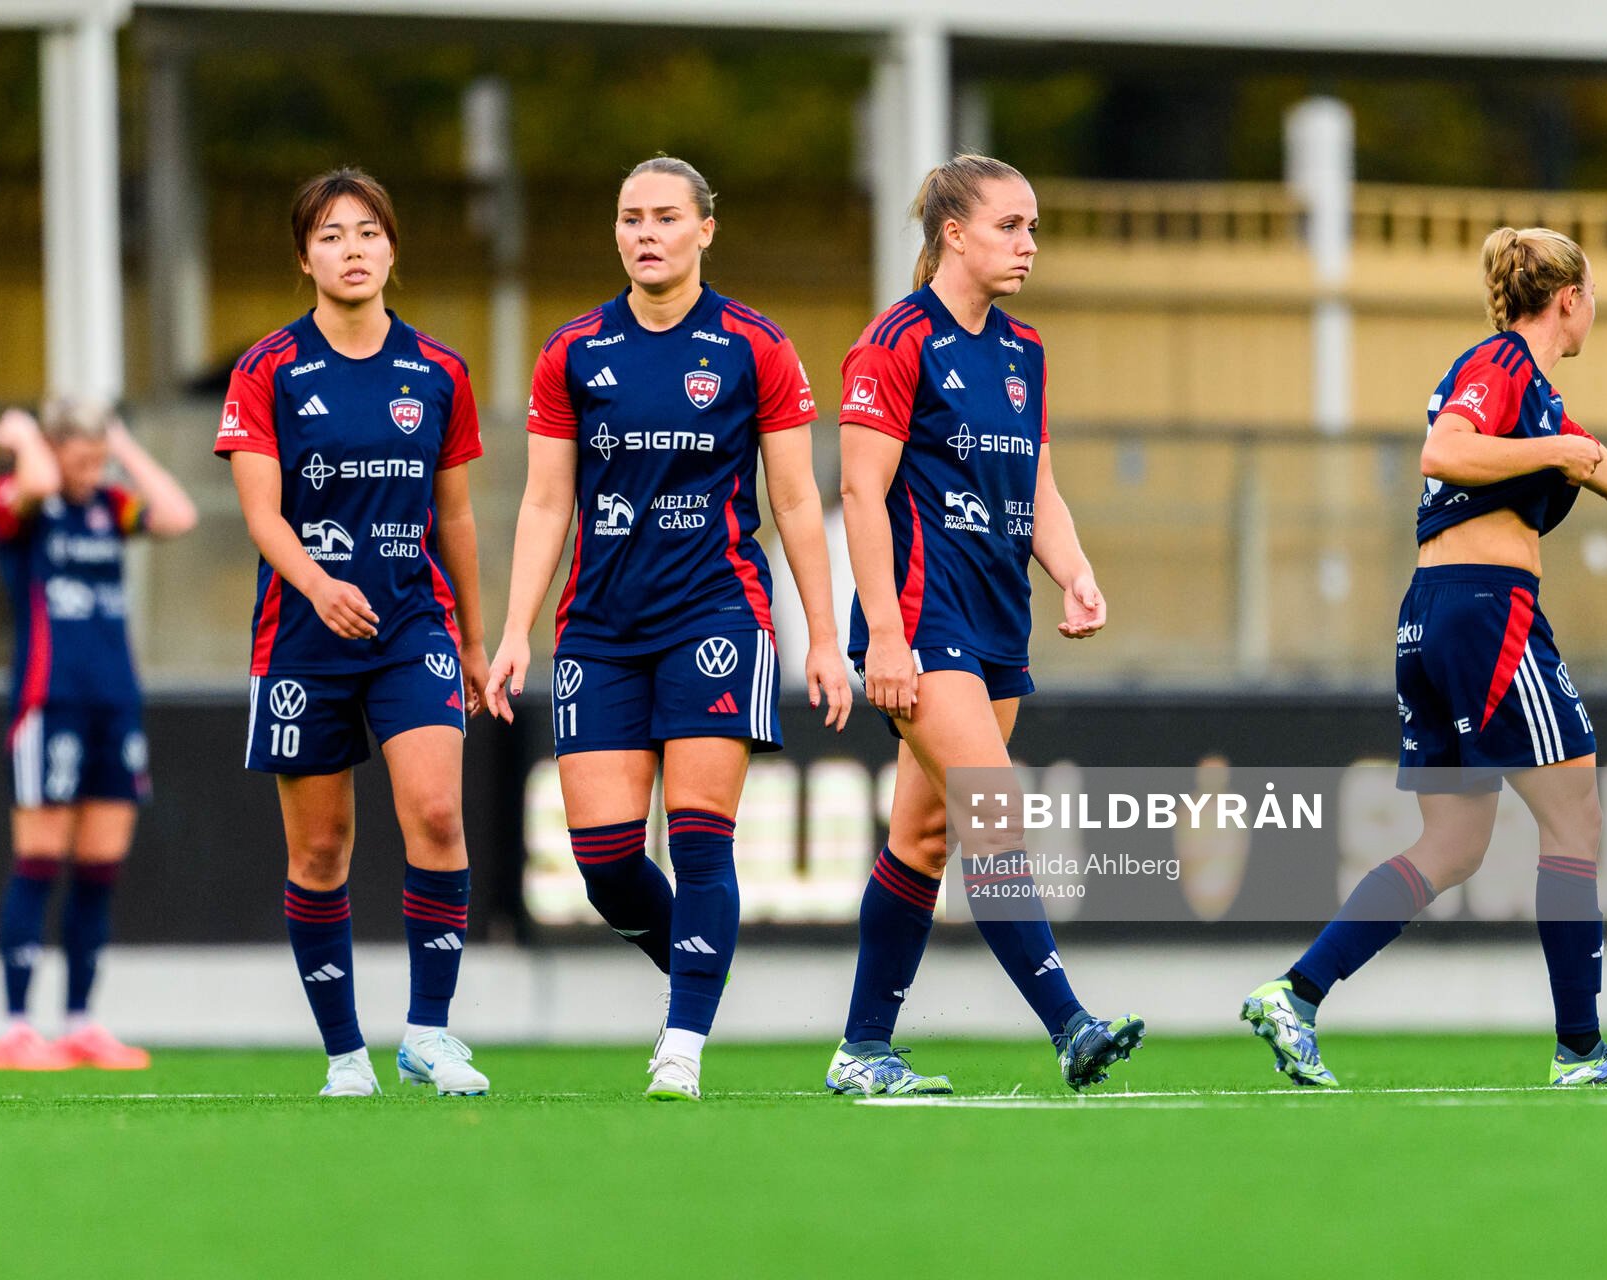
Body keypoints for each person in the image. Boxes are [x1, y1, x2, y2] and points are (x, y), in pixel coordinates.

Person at [1242, 226, 1607, 1087]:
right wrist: (1555, 453)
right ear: (1571, 299)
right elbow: (1444, 449)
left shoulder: (1540, 401)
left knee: (1452, 845)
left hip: (1434, 617)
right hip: (1489, 615)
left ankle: (1294, 994)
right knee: (1577, 818)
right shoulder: (1504, 367)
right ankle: (1582, 1052)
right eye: (1592, 294)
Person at [484, 156, 851, 1102]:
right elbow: (543, 502)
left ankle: (682, 1040)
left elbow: (799, 500)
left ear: (704, 231)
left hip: (715, 614)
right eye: (628, 217)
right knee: (604, 863)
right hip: (600, 627)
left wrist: (823, 634)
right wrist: (515, 628)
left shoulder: (753, 345)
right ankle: (701, 968)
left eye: (662, 217)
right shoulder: (572, 349)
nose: (643, 232)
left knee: (700, 841)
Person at [826, 154, 1143, 1098]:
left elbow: (1035, 482)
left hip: (1000, 621)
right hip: (924, 620)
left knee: (924, 840)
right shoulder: (895, 340)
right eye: (1011, 226)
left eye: (1034, 228)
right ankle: (1070, 1024)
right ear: (952, 233)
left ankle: (861, 1050)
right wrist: (882, 633)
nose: (1029, 245)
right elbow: (860, 492)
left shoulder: (1022, 350)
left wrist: (1074, 571)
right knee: (994, 813)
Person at [216, 167, 493, 1099]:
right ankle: (344, 1054)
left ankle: (429, 1032)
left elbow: (455, 519)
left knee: (439, 814)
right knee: (322, 850)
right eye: (332, 235)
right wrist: (317, 584)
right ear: (305, 257)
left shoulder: (440, 369)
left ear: (393, 248)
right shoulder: (268, 369)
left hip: (413, 626)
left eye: (368, 232)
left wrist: (479, 639)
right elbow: (261, 513)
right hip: (302, 640)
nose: (353, 250)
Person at [0, 399, 198, 1070]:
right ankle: (17, 1027)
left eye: (96, 459)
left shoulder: (111, 504)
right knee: (40, 860)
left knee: (100, 866)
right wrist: (24, 439)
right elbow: (40, 484)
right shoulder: (19, 499)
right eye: (79, 458)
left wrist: (125, 449)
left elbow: (178, 514)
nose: (88, 471)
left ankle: (80, 1020)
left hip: (115, 702)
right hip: (51, 702)